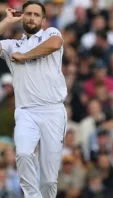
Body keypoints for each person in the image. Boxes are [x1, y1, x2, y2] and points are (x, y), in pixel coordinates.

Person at [0, 1, 67, 198]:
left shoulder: (51, 34)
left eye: (36, 15)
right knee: (22, 153)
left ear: (43, 20)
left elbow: (55, 45)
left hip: (53, 111)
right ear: (23, 17)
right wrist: (6, 21)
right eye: (28, 14)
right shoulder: (12, 45)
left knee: (48, 180)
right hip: (25, 111)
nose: (31, 18)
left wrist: (25, 56)